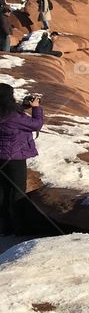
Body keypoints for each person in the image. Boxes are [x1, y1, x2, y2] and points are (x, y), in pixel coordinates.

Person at [0, 85, 43, 235]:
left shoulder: (7, 114)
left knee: (3, 192)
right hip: (14, 159)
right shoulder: (13, 117)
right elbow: (36, 124)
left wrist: (23, 107)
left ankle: (4, 228)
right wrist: (36, 108)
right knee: (18, 192)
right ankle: (20, 228)